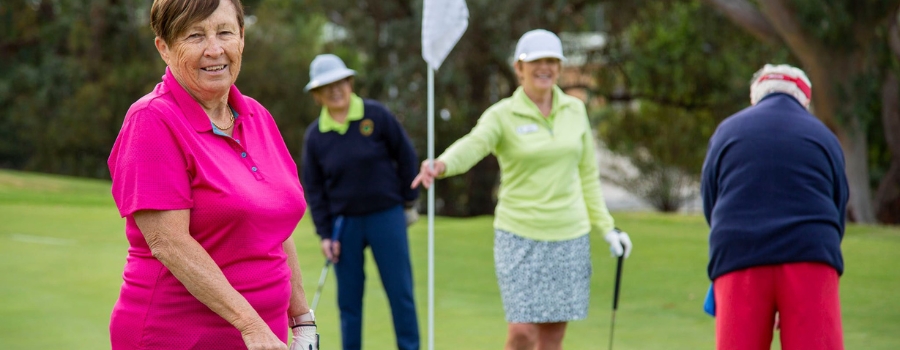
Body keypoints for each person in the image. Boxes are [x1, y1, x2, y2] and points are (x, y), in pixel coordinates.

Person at [107, 0, 317, 349]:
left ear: (242, 38)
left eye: (224, 32)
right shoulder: (151, 120)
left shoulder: (257, 116)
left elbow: (272, 225)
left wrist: (302, 320)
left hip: (265, 337)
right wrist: (251, 325)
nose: (214, 49)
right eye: (195, 35)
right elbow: (169, 243)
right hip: (177, 336)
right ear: (164, 48)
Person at [411, 29, 633, 350]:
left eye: (552, 61)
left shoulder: (575, 110)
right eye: (537, 61)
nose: (545, 68)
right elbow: (474, 145)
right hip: (519, 235)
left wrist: (608, 228)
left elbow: (587, 175)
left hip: (569, 235)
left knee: (553, 336)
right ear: (519, 68)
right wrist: (442, 164)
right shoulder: (503, 115)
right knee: (522, 332)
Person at [701, 64, 849, 350]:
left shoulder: (726, 131)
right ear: (804, 100)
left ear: (755, 96)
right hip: (811, 256)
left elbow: (710, 199)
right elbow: (838, 204)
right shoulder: (824, 137)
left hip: (739, 254)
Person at [301, 53, 421, 350]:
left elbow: (405, 156)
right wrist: (325, 233)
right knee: (349, 302)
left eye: (340, 82)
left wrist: (408, 201)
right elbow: (314, 189)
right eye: (326, 86)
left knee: (400, 293)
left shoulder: (376, 115)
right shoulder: (315, 136)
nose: (335, 89)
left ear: (350, 82)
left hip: (386, 216)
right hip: (344, 225)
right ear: (317, 95)